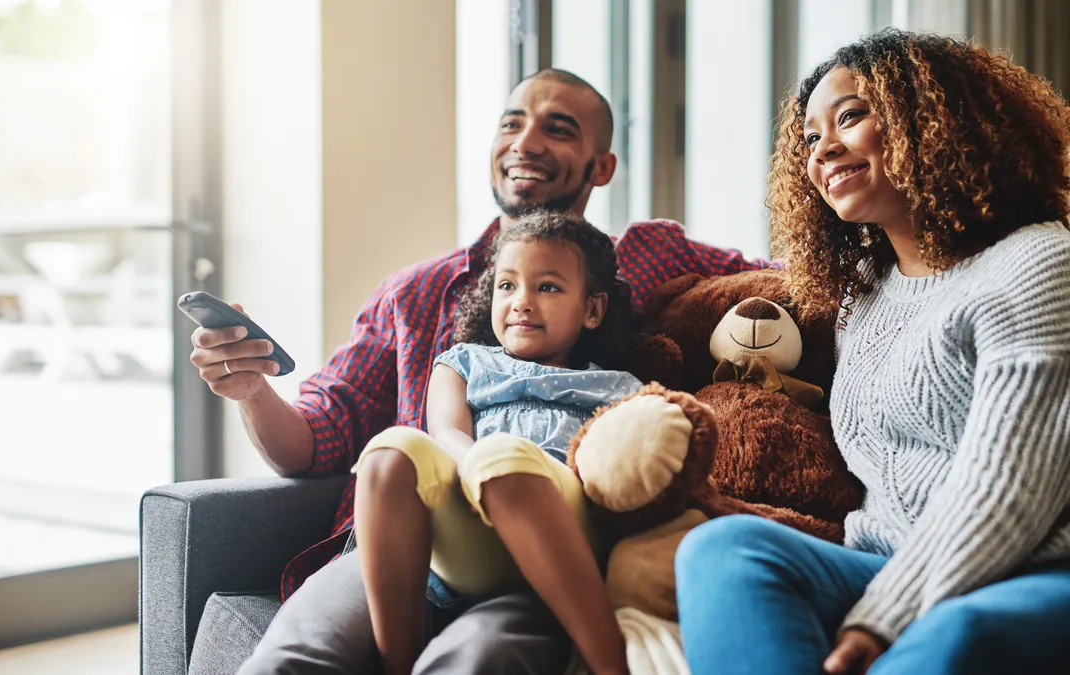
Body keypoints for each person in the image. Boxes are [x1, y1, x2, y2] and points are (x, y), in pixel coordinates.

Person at [192, 68, 771, 674]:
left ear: (601, 166)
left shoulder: (652, 257)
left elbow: (790, 283)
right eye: (511, 124)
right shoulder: (416, 292)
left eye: (558, 128)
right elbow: (313, 440)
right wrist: (252, 389)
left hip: (543, 549)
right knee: (287, 662)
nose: (525, 143)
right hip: (404, 548)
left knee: (475, 660)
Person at [674, 28, 1070, 675]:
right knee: (722, 550)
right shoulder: (864, 294)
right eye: (808, 139)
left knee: (956, 632)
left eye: (850, 116)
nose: (823, 150)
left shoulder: (1037, 261)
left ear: (934, 120)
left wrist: (882, 617)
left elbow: (1008, 490)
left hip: (1029, 565)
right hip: (885, 562)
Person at [355, 211, 641, 675]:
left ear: (592, 310)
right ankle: (396, 663)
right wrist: (475, 469)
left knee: (503, 458)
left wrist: (496, 463)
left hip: (565, 522)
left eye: (547, 287)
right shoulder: (462, 363)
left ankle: (612, 664)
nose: (522, 302)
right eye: (507, 286)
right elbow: (446, 432)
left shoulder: (619, 387)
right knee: (390, 453)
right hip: (470, 521)